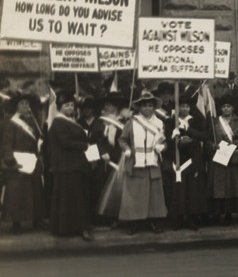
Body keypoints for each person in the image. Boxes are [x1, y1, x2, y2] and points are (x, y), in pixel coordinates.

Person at [118, 91, 168, 235]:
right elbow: (122, 140)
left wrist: (162, 147)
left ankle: (154, 222)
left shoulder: (159, 123)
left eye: (150, 105)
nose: (147, 108)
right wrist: (127, 150)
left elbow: (165, 141)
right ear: (139, 108)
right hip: (136, 163)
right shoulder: (132, 122)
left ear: (154, 108)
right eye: (144, 106)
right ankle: (135, 222)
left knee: (154, 195)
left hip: (153, 162)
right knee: (135, 194)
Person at [48, 91, 93, 241]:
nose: (70, 108)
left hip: (74, 163)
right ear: (60, 108)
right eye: (66, 105)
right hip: (68, 164)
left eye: (72, 105)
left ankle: (74, 226)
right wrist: (84, 145)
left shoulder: (71, 121)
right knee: (72, 197)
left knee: (74, 197)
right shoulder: (58, 122)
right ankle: (73, 227)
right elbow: (65, 142)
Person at [1, 92, 46, 234]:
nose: (26, 106)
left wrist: (40, 144)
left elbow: (37, 139)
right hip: (18, 160)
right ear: (16, 107)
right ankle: (16, 222)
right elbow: (6, 144)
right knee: (17, 193)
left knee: (35, 190)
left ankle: (37, 220)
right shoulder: (10, 123)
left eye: (27, 104)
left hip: (32, 159)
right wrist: (10, 160)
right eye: (22, 104)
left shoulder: (33, 122)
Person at [165, 94, 208, 231]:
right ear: (177, 108)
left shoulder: (196, 121)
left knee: (191, 190)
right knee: (178, 190)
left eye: (186, 106)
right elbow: (166, 140)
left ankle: (191, 218)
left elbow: (203, 136)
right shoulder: (171, 122)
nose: (184, 109)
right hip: (176, 158)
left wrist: (188, 131)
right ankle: (177, 218)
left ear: (190, 108)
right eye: (181, 106)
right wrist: (173, 136)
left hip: (191, 158)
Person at [207, 95, 238, 226]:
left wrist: (236, 143)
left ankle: (230, 214)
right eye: (224, 106)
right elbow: (207, 139)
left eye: (228, 106)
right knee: (219, 186)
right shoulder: (214, 122)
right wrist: (212, 145)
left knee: (233, 185)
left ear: (233, 108)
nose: (226, 109)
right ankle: (218, 213)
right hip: (219, 157)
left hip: (233, 158)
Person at [89, 91, 127, 226]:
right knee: (100, 187)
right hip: (102, 160)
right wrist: (98, 155)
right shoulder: (99, 122)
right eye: (106, 104)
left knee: (118, 189)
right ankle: (100, 217)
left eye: (109, 104)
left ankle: (115, 217)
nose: (106, 106)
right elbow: (92, 141)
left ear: (116, 107)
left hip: (119, 159)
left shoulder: (125, 122)